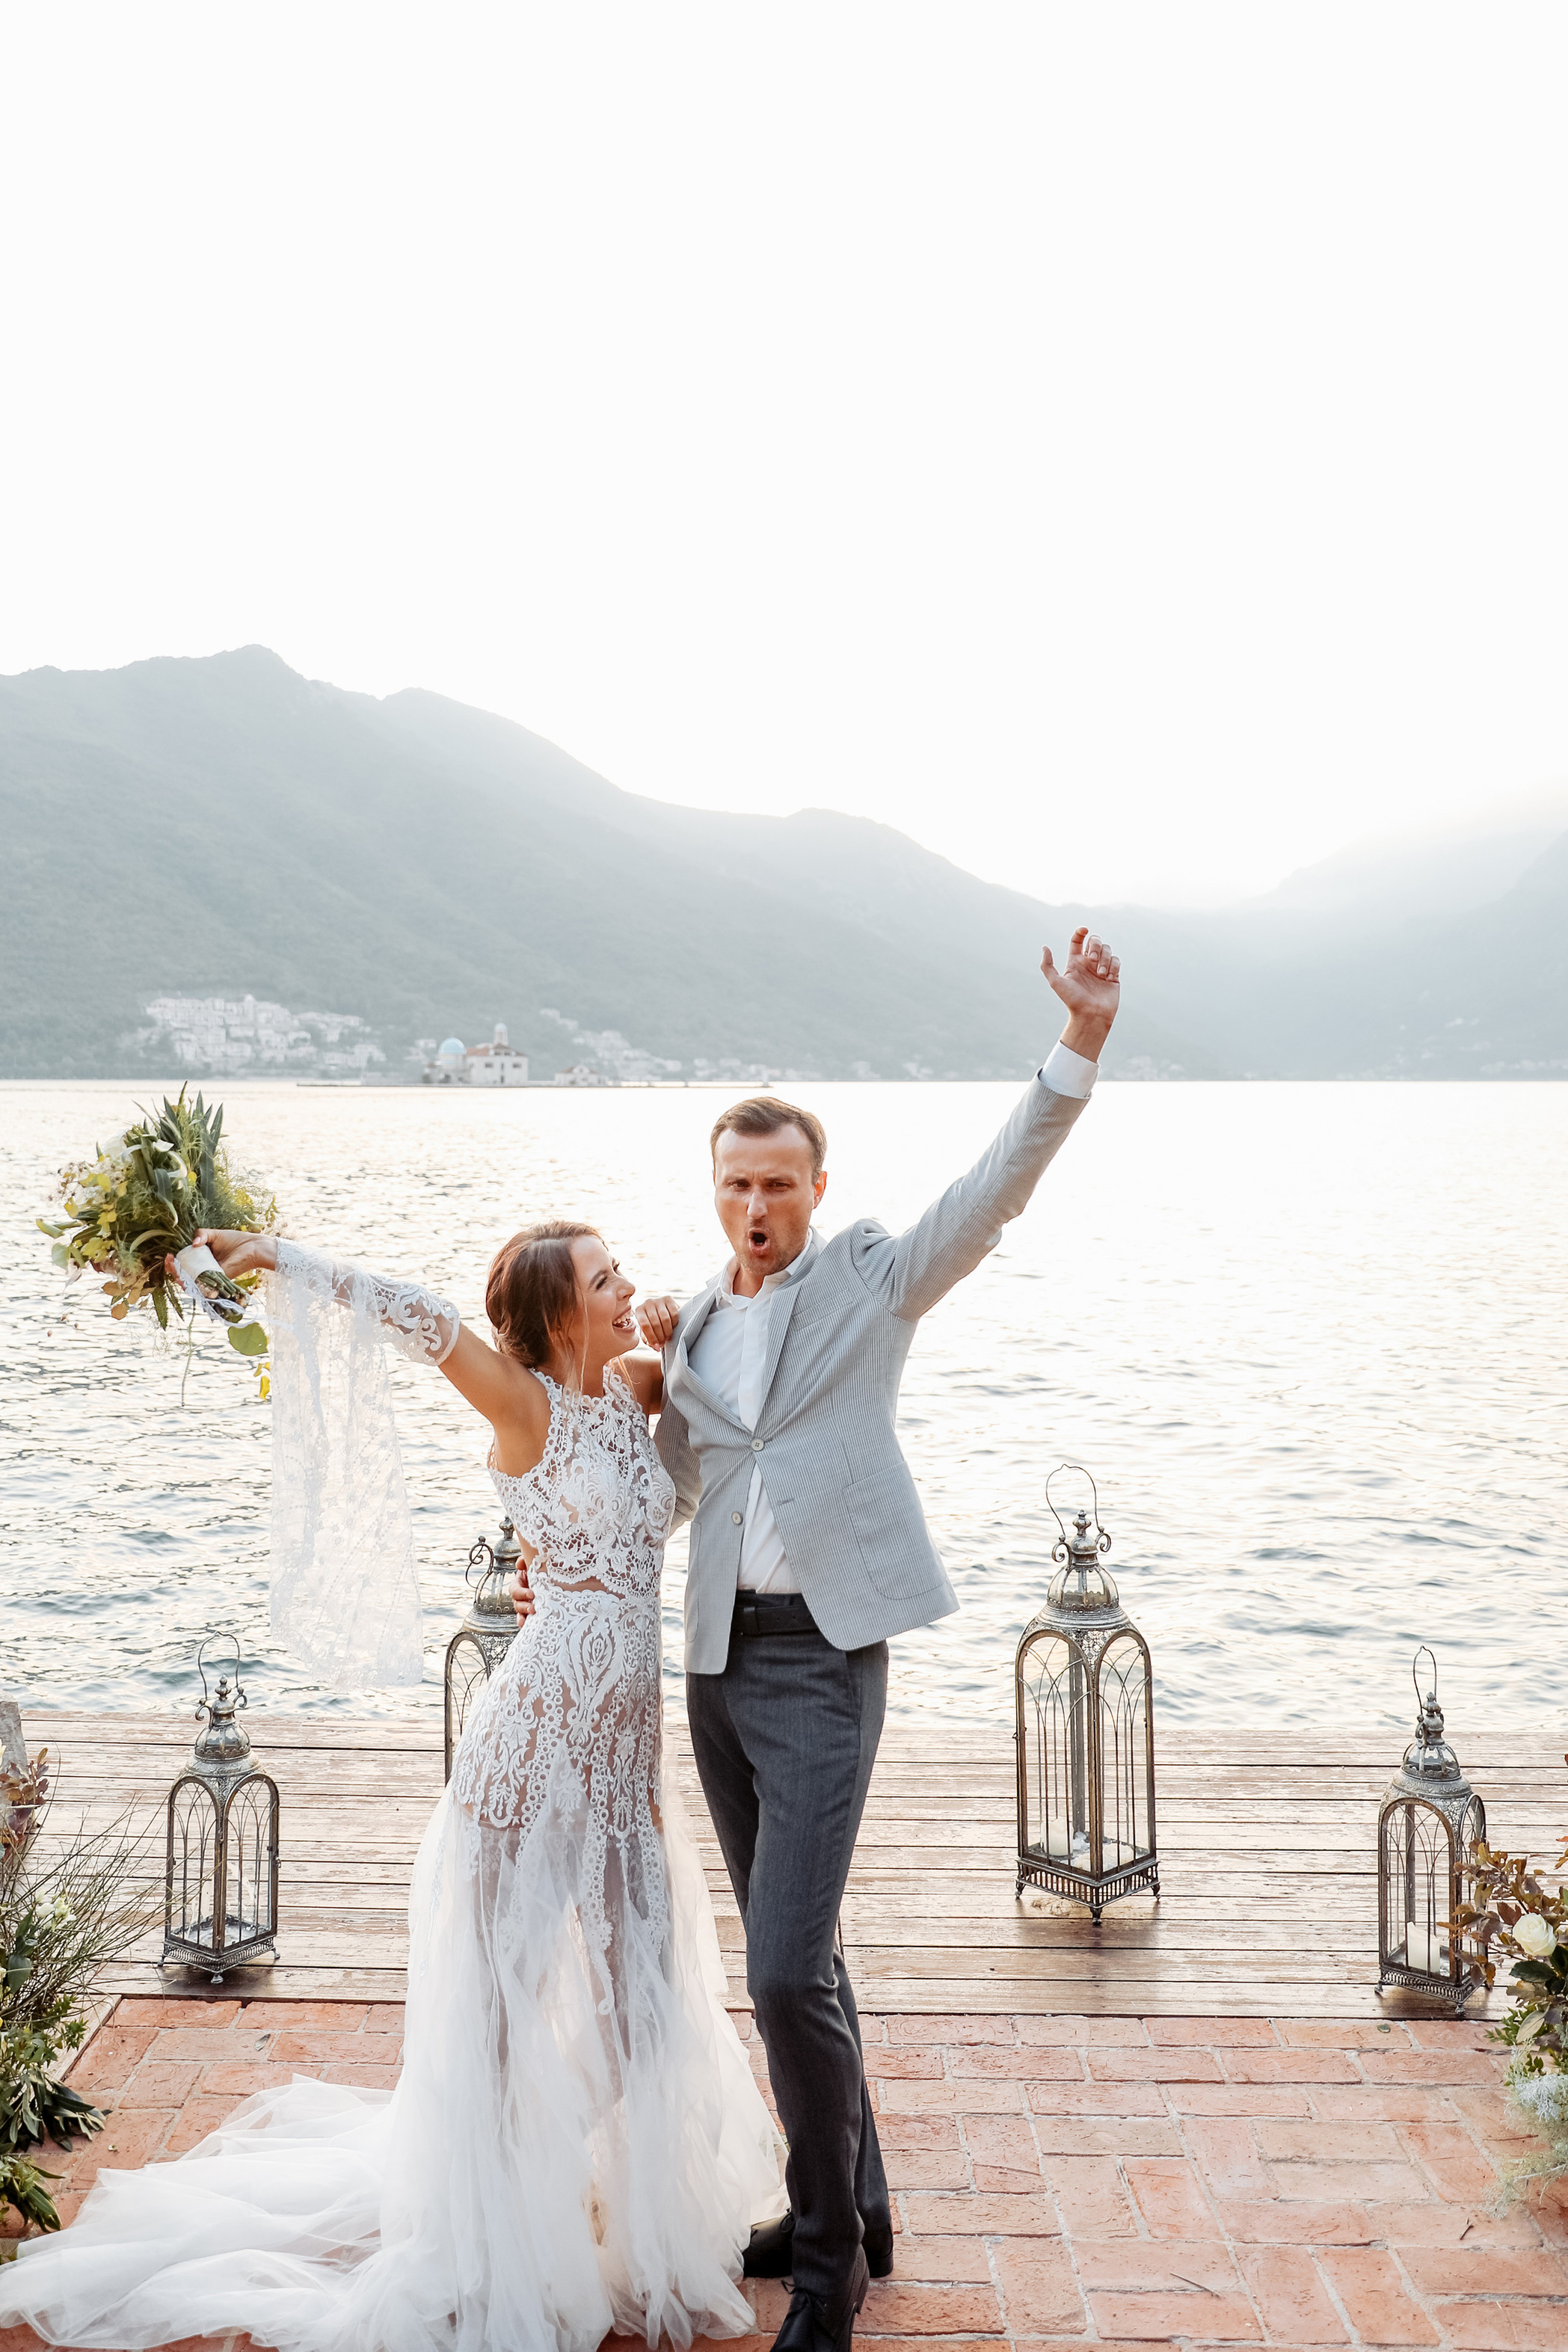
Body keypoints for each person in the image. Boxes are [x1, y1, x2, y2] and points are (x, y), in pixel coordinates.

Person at [0, 1219, 783, 2352]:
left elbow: (700, 1355)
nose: (624, 1282)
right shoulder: (524, 1405)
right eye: (604, 1279)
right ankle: (496, 2227)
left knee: (641, 1989)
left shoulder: (630, 1387)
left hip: (619, 1754)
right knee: (500, 2002)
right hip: (530, 1743)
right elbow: (418, 1316)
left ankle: (603, 2198)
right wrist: (275, 1256)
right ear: (557, 1318)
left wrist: (669, 1328)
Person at [541, 924, 1122, 2352]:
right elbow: (678, 1492)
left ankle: (823, 2274)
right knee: (805, 1952)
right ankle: (857, 2195)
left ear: (816, 1191)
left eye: (778, 1184)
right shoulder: (678, 1336)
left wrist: (1082, 1042)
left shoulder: (867, 1281)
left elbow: (991, 1197)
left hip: (826, 1659)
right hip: (714, 1669)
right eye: (736, 1184)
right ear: (716, 1189)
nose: (756, 1205)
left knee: (786, 1972)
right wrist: (616, 1414)